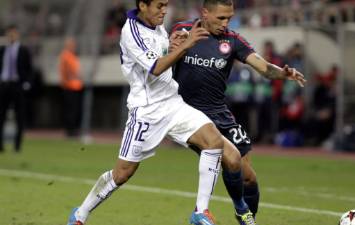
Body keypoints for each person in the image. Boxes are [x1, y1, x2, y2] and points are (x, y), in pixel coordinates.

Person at [67, 1, 224, 225]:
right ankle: (80, 214)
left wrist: (171, 46)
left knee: (213, 141)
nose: (164, 10)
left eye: (166, 5)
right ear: (143, 5)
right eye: (159, 5)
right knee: (122, 173)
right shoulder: (130, 31)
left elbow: (158, 56)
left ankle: (200, 212)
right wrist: (185, 45)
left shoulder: (157, 25)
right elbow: (156, 68)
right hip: (147, 112)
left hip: (172, 103)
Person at [169, 0, 306, 224]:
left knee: (248, 177)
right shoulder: (181, 31)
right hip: (189, 114)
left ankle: (247, 217)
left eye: (229, 18)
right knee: (230, 159)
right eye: (220, 18)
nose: (225, 23)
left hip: (220, 113)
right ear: (205, 13)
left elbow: (263, 67)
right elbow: (162, 56)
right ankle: (238, 210)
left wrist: (283, 73)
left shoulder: (232, 40)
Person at [0, 25, 33, 153]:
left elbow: (30, 69)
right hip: (4, 85)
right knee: (1, 116)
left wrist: (27, 84)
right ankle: (0, 146)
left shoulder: (23, 50)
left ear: (17, 35)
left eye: (14, 33)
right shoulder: (3, 50)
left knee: (19, 117)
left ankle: (17, 146)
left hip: (17, 85)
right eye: (9, 34)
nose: (11, 36)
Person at [59, 37, 83, 137]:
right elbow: (66, 70)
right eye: (71, 45)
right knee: (71, 110)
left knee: (75, 110)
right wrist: (68, 79)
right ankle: (70, 131)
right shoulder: (66, 55)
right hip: (70, 86)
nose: (73, 46)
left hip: (76, 86)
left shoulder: (72, 55)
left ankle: (73, 130)